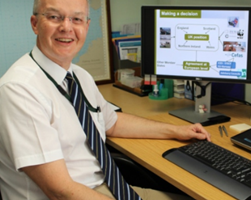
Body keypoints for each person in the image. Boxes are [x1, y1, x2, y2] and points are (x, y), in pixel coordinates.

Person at [0, 0, 211, 199]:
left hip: (107, 189)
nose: (66, 27)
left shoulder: (79, 76)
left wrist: (175, 131)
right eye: (55, 17)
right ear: (35, 24)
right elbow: (60, 191)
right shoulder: (19, 89)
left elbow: (112, 122)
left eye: (76, 19)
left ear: (87, 26)